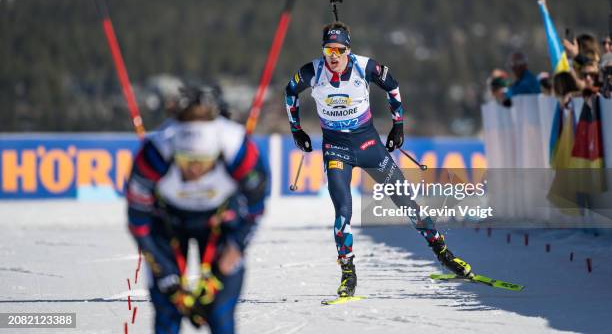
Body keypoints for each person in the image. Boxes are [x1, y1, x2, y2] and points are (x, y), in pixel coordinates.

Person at [284, 21, 471, 298]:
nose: (333, 56)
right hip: (336, 149)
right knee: (343, 212)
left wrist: (398, 125)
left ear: (348, 49)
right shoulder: (313, 71)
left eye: (339, 49)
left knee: (407, 202)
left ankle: (443, 253)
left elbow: (393, 87)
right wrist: (296, 129)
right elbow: (290, 92)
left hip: (369, 145)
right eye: (328, 50)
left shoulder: (365, 66)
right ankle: (348, 272)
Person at [126, 85, 267, 334]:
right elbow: (138, 221)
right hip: (169, 219)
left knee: (219, 313)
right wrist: (164, 272)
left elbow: (255, 207)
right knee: (168, 312)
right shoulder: (156, 152)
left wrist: (234, 249)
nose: (194, 171)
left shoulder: (236, 148)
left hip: (220, 219)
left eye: (202, 162)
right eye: (186, 162)